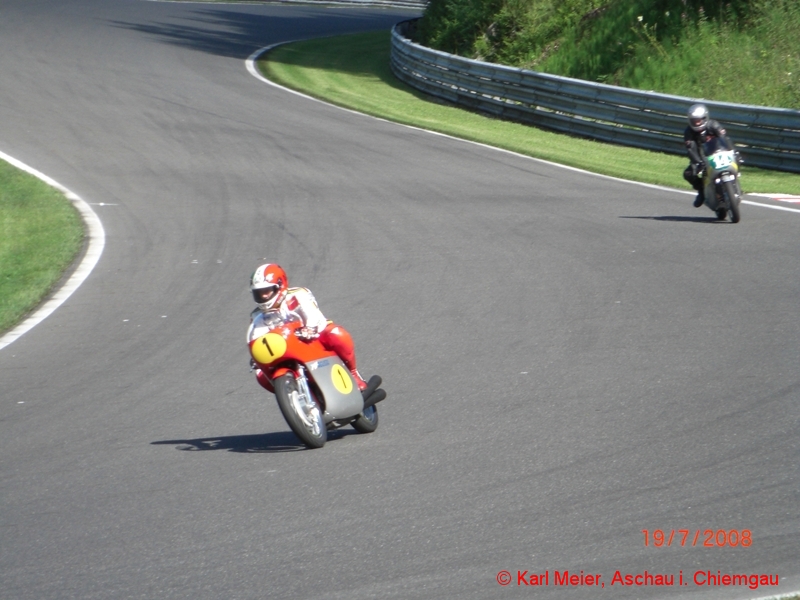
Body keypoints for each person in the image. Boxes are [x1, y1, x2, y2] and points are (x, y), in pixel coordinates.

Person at [247, 263, 368, 391]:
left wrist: (309, 328)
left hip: (313, 338)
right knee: (260, 374)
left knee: (336, 333)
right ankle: (292, 394)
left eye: (266, 291)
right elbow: (258, 336)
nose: (263, 296)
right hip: (284, 350)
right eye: (259, 293)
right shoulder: (256, 315)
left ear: (280, 286)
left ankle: (353, 373)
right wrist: (256, 356)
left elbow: (312, 313)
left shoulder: (298, 295)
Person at [683, 103, 737, 208]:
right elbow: (691, 149)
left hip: (719, 153)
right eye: (694, 121)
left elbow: (725, 139)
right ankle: (702, 191)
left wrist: (733, 151)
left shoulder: (713, 125)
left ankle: (734, 181)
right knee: (688, 174)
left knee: (737, 160)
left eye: (699, 120)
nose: (697, 123)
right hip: (702, 158)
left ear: (705, 118)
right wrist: (698, 162)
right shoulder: (688, 132)